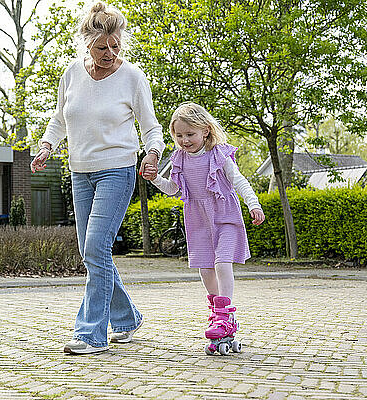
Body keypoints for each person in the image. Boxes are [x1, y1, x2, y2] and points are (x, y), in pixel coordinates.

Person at [30, 1, 165, 355]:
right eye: (102, 47)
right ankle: (126, 318)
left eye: (115, 46)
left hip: (117, 170)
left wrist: (152, 155)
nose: (109, 53)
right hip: (79, 171)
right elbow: (59, 118)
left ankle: (91, 334)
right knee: (91, 252)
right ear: (86, 42)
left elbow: (151, 128)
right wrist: (46, 146)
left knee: (95, 248)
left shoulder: (133, 78)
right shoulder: (72, 73)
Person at [142, 102, 265, 353]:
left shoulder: (219, 154)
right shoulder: (179, 159)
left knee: (222, 263)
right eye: (179, 135)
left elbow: (238, 181)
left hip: (225, 215)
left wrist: (254, 204)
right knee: (205, 268)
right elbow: (173, 189)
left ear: (205, 131)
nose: (184, 140)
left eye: (190, 134)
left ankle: (225, 314)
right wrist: (154, 179)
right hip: (198, 220)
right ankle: (218, 314)